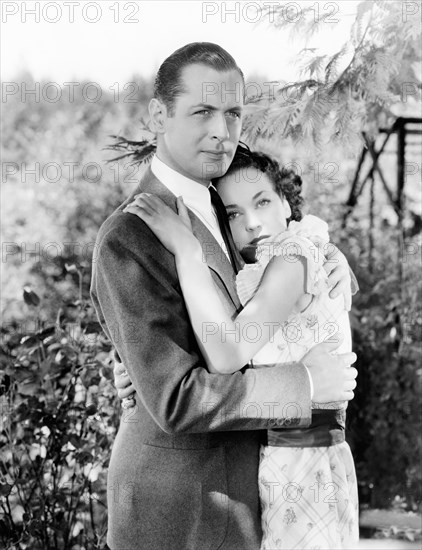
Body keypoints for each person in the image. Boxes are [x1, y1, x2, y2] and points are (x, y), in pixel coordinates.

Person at [91, 42, 357, 550]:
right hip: (183, 514)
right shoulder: (131, 236)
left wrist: (330, 262)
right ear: (159, 115)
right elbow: (175, 398)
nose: (221, 131)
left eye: (233, 113)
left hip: (261, 500)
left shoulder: (229, 199)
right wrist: (303, 385)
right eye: (202, 112)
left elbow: (281, 275)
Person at [122, 146, 359, 549]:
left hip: (305, 467)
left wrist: (189, 253)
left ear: (286, 203)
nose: (251, 222)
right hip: (287, 463)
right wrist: (143, 368)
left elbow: (229, 353)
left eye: (262, 201)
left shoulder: (293, 256)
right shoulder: (270, 264)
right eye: (232, 213)